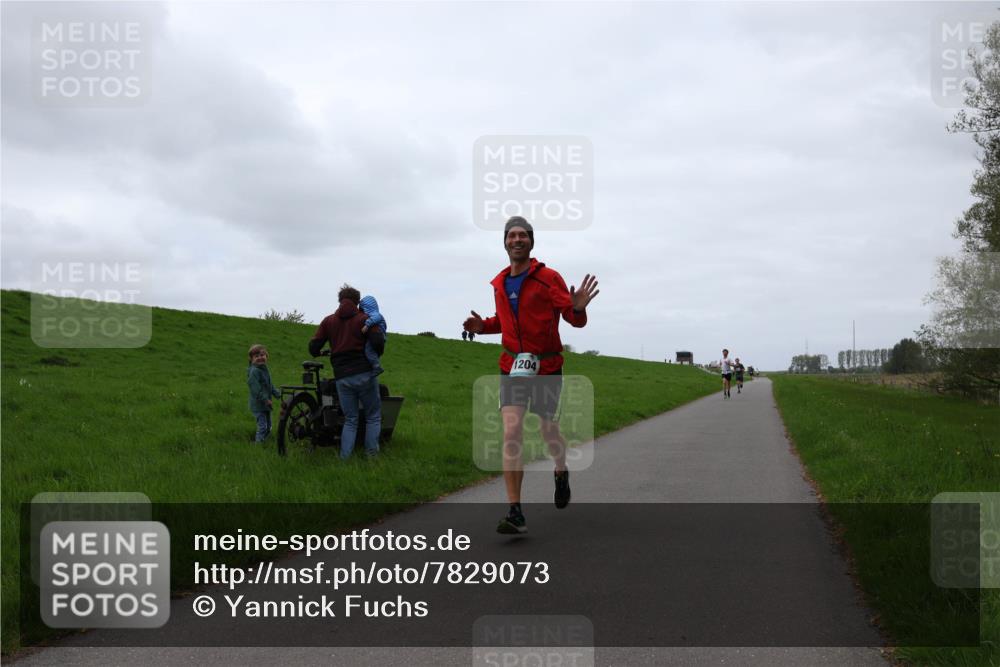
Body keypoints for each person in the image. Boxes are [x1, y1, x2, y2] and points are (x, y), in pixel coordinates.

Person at [463, 216, 599, 534]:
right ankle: (515, 511)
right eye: (511, 235)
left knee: (549, 431)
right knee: (511, 432)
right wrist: (484, 326)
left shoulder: (549, 278)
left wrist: (578, 308)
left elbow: (574, 319)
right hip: (512, 366)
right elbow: (505, 321)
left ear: (531, 241)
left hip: (547, 367)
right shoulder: (500, 283)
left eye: (522, 235)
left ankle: (561, 470)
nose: (517, 240)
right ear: (505, 242)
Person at [309, 285, 386, 459]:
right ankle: (371, 456)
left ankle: (344, 458)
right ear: (357, 302)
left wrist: (322, 351)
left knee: (351, 419)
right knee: (373, 416)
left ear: (340, 300)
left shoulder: (328, 321)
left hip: (342, 378)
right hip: (365, 374)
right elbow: (378, 342)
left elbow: (313, 347)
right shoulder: (365, 319)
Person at [247, 343, 281, 443]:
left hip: (266, 404)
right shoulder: (254, 372)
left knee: (269, 426)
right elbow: (255, 390)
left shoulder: (264, 369)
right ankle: (258, 444)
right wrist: (265, 399)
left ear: (266, 356)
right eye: (256, 356)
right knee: (263, 426)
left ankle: (264, 440)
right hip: (258, 404)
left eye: (262, 355)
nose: (260, 358)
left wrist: (277, 393)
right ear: (251, 359)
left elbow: (269, 385)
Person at [359, 295, 387, 376]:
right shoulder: (375, 313)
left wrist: (367, 325)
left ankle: (377, 367)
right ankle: (374, 366)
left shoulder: (375, 314)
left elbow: (375, 318)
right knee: (373, 353)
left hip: (377, 336)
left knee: (369, 351)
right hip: (379, 336)